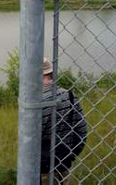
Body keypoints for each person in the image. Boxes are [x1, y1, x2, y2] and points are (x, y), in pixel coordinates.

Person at [40, 57, 87, 185]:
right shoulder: (70, 96)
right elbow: (81, 133)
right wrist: (70, 156)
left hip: (40, 168)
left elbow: (30, 139)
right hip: (64, 164)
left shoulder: (37, 102)